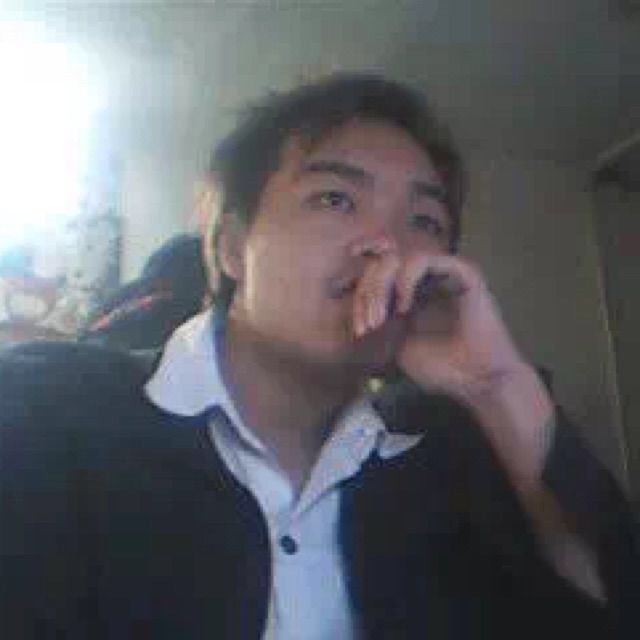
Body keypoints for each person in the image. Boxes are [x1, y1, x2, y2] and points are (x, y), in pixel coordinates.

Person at [0, 73, 637, 639]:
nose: (385, 244)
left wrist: (497, 384)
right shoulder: (45, 409)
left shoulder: (446, 451)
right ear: (231, 247)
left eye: (424, 221)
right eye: (335, 199)